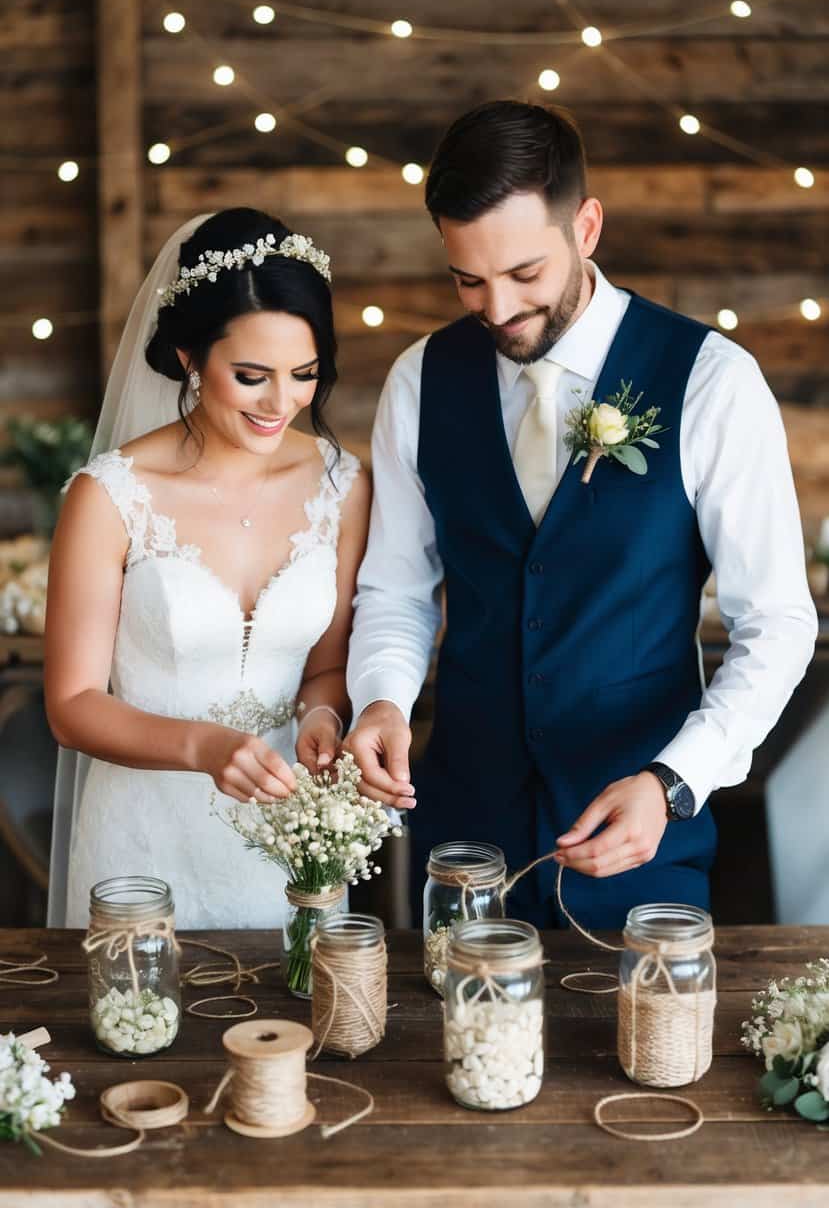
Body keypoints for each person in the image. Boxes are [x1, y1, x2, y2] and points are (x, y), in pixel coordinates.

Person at [344, 101, 818, 929]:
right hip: (464, 848)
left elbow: (775, 624)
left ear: (586, 226)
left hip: (639, 842)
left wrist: (673, 781)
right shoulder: (420, 380)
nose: (494, 308)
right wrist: (380, 699)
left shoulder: (711, 380)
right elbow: (394, 590)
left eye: (524, 274)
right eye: (467, 280)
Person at [45, 207, 370, 928]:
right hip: (140, 840)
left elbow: (325, 666)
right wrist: (205, 746)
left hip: (287, 832)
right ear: (190, 357)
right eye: (251, 375)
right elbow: (71, 706)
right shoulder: (109, 497)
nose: (280, 403)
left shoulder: (344, 485)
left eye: (304, 375)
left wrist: (321, 713)